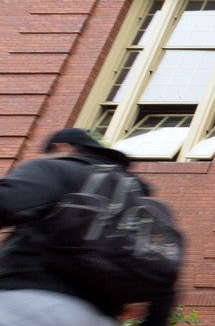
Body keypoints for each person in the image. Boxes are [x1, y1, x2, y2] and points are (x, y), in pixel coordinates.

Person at [0, 128, 175, 326]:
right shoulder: (144, 203)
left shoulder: (59, 169)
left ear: (61, 147)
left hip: (26, 305)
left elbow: (6, 202)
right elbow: (167, 281)